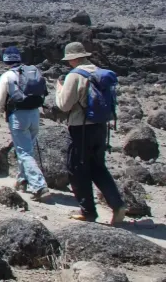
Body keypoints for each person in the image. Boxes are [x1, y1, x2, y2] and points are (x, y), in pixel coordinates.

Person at [56, 42, 126, 224]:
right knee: (98, 167)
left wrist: (59, 89)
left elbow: (64, 105)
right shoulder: (99, 72)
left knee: (77, 169)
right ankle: (117, 205)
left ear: (73, 58)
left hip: (81, 128)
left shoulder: (75, 75)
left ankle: (88, 212)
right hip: (101, 127)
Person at [0, 47, 49, 201]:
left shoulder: (7, 76)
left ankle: (39, 186)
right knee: (27, 150)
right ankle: (22, 181)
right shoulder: (33, 71)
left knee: (24, 152)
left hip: (18, 116)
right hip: (35, 114)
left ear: (6, 60)